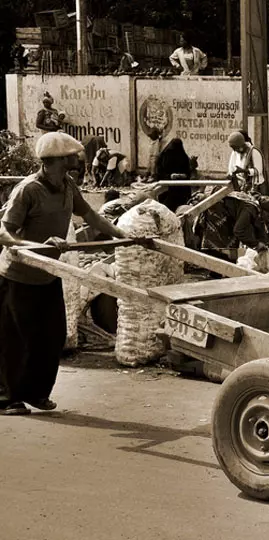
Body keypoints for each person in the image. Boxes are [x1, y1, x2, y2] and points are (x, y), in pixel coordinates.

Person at [0, 132, 126, 416]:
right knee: (17, 339)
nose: (77, 161)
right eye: (71, 157)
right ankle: (7, 398)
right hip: (18, 276)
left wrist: (120, 233)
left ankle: (36, 393)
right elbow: (4, 233)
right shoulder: (28, 190)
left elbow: (90, 216)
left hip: (48, 273)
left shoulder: (67, 185)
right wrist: (36, 245)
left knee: (53, 336)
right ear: (55, 160)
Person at [195, 191, 269, 261]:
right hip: (218, 214)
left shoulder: (257, 210)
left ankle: (227, 265)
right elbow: (239, 231)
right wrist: (255, 244)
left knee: (230, 243)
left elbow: (260, 227)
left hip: (229, 215)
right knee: (217, 243)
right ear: (265, 211)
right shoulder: (250, 209)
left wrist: (263, 242)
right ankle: (216, 270)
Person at [154, 138, 194, 212]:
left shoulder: (184, 157)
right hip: (167, 189)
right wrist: (170, 176)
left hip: (182, 189)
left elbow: (188, 172)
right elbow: (158, 174)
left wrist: (183, 176)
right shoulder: (164, 157)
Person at [226, 131, 267, 195]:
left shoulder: (254, 152)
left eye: (235, 148)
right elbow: (231, 168)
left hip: (255, 187)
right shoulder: (236, 152)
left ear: (241, 145)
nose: (234, 150)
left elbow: (258, 171)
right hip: (242, 186)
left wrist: (243, 170)